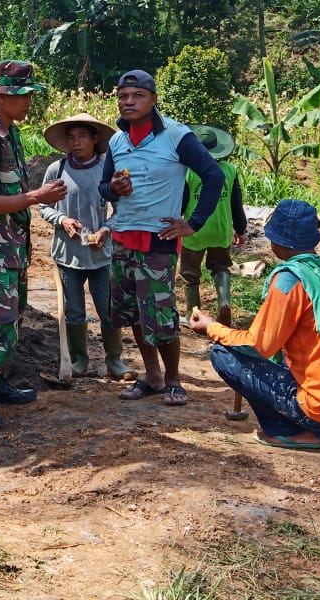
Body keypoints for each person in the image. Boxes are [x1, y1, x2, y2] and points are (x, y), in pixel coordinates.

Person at [189, 199, 320, 450]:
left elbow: (259, 346)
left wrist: (212, 328)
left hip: (318, 410)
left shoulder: (289, 279)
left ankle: (287, 431)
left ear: (277, 242)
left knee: (222, 353)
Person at [98, 70, 225, 406]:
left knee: (161, 313)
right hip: (123, 237)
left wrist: (193, 223)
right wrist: (113, 188)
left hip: (159, 240)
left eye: (137, 95)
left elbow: (214, 175)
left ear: (153, 99)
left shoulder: (176, 136)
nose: (129, 102)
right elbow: (103, 186)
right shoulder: (116, 141)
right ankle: (151, 376)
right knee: (134, 313)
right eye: (123, 96)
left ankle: (173, 379)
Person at [0, 60, 68, 429]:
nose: (28, 102)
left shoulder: (10, 134)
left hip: (12, 246)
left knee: (12, 320)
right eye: (22, 96)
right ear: (0, 95)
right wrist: (37, 196)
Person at [38, 113, 131, 380]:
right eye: (71, 137)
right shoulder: (57, 170)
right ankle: (79, 360)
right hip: (68, 254)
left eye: (81, 136)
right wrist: (62, 219)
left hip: (101, 254)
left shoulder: (107, 172)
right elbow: (44, 206)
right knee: (74, 311)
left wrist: (106, 229)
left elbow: (121, 209)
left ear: (95, 139)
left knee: (108, 309)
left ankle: (115, 360)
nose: (75, 142)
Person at [179, 125, 247, 325]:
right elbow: (237, 204)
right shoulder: (230, 170)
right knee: (221, 267)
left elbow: (182, 202)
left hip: (195, 230)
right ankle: (224, 302)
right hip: (221, 229)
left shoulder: (189, 173)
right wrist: (240, 229)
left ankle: (192, 313)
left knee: (189, 274)